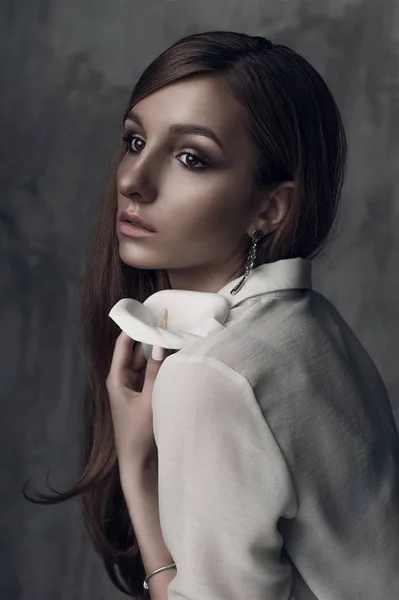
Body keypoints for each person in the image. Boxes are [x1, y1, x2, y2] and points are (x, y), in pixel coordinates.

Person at [24, 30, 399, 599]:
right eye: (134, 141)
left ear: (270, 206)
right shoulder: (308, 323)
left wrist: (137, 470)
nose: (132, 181)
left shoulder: (212, 374)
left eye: (191, 157)